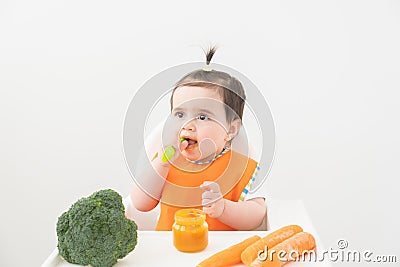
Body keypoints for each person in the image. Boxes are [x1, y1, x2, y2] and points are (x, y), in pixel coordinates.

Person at [130, 47, 266, 230]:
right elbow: (140, 204)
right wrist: (161, 166)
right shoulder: (167, 161)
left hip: (218, 253)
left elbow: (257, 217)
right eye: (180, 115)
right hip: (168, 251)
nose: (188, 125)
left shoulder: (243, 167)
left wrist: (224, 208)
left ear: (231, 130)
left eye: (203, 117)